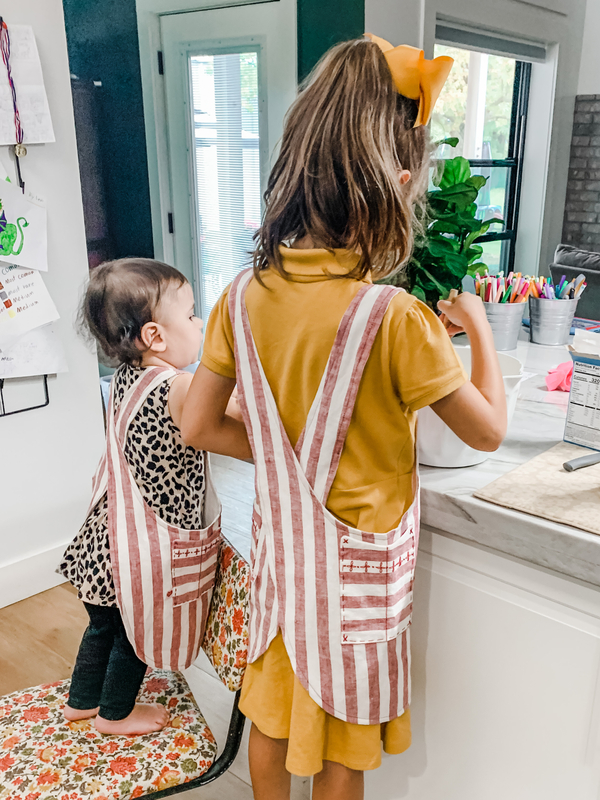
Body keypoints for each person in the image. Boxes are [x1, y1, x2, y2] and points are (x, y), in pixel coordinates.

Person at [180, 35, 506, 800]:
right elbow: (487, 430)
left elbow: (199, 425)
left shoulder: (241, 295)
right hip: (358, 593)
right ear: (396, 184)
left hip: (282, 570)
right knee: (340, 753)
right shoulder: (396, 318)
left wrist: (281, 454)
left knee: (271, 724)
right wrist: (479, 329)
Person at [59, 258, 215, 735]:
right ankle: (115, 713)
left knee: (102, 625)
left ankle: (82, 701)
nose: (201, 322)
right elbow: (229, 415)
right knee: (133, 630)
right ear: (156, 336)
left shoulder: (127, 377)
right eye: (191, 315)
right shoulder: (179, 385)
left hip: (103, 540)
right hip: (140, 550)